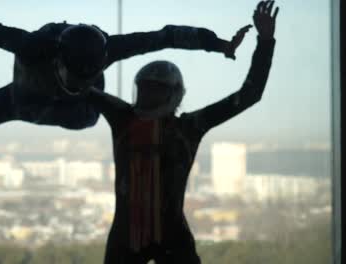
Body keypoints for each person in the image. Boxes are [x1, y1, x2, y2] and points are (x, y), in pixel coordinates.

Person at [84, 1, 278, 263]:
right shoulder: (185, 127)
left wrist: (265, 41)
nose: (146, 96)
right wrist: (264, 41)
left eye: (154, 90)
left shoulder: (127, 118)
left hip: (134, 237)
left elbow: (249, 95)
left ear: (171, 94)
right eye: (144, 89)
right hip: (166, 236)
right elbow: (249, 95)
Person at [0, 0, 250, 132]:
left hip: (69, 110)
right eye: (74, 77)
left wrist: (219, 44)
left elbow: (167, 35)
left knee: (85, 116)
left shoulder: (108, 50)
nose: (77, 82)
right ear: (57, 60)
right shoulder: (31, 46)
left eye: (86, 77)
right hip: (25, 98)